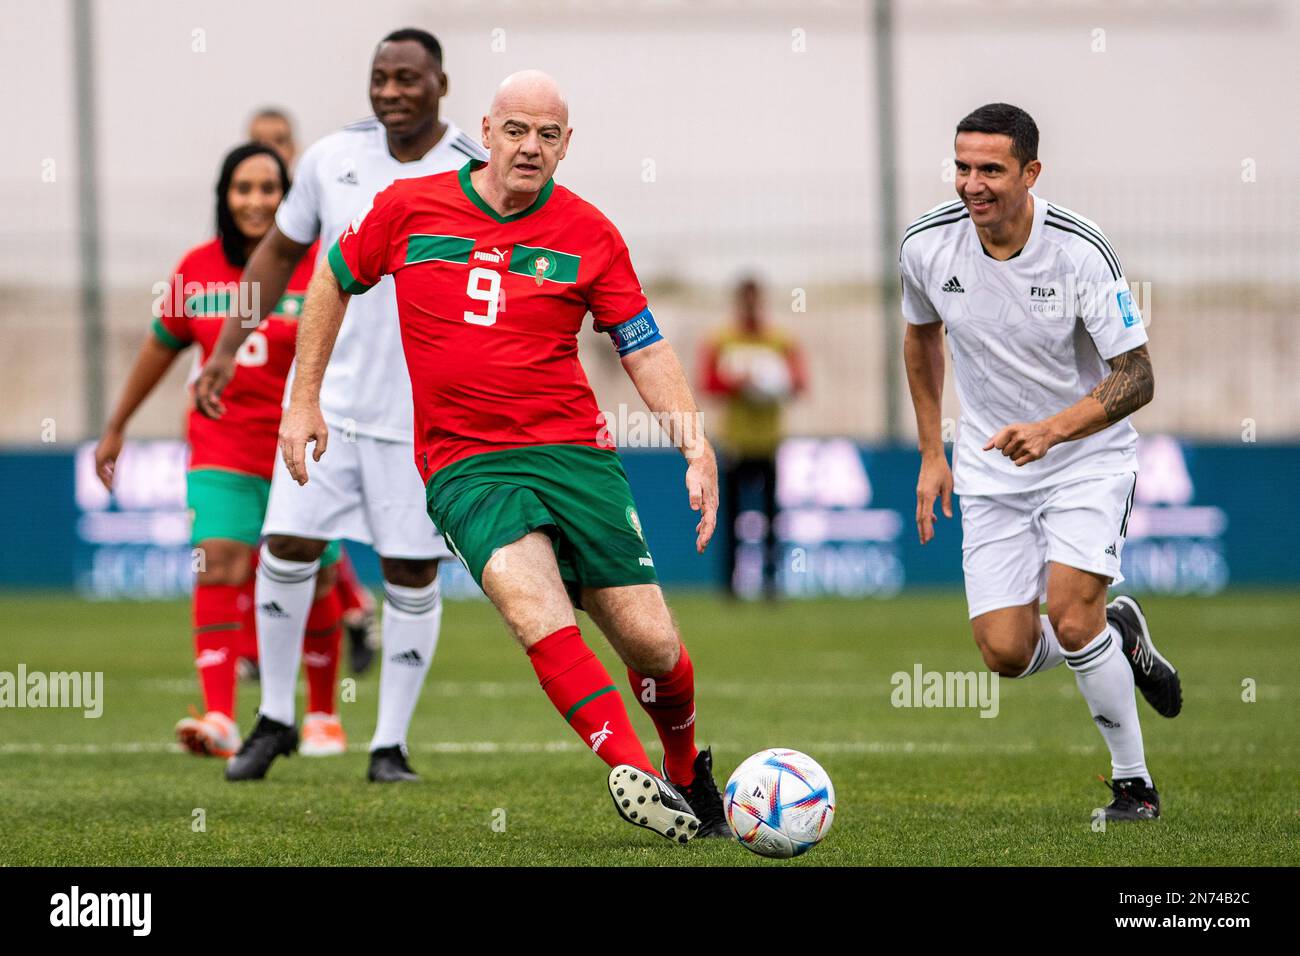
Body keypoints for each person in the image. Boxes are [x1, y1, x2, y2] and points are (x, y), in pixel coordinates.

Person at [280, 70, 730, 842]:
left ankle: (687, 770)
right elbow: (331, 279)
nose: (529, 147)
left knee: (653, 645)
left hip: (574, 456)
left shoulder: (590, 232)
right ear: (485, 130)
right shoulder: (408, 207)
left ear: (566, 145)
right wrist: (304, 398)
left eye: (547, 135)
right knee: (535, 610)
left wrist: (693, 440)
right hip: (466, 464)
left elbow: (643, 347)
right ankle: (638, 774)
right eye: (516, 130)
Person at [196, 28, 486, 783]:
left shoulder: (476, 173)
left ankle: (388, 745)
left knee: (410, 571)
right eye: (379, 77)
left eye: (407, 79)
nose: (391, 91)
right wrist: (227, 347)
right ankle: (274, 721)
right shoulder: (330, 159)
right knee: (286, 546)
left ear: (442, 86)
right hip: (322, 407)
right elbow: (277, 255)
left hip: (424, 421)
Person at [900, 103, 1183, 822]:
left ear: (1030, 172)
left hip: (1086, 455)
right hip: (993, 467)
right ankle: (1119, 631)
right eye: (962, 167)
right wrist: (934, 451)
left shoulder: (1079, 250)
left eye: (990, 169)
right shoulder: (927, 246)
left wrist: (1054, 431)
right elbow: (920, 337)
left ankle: (1134, 787)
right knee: (1003, 650)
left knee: (1070, 613)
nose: (972, 184)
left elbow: (1137, 376)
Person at [93, 143, 347, 759]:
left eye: (269, 189)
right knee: (220, 560)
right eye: (243, 189)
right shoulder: (196, 269)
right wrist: (118, 424)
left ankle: (321, 717)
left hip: (303, 447)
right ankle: (218, 716)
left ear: (288, 199)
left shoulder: (319, 264)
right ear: (224, 198)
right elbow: (160, 347)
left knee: (311, 574)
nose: (256, 201)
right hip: (221, 445)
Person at [699, 277, 807, 597]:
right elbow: (708, 383)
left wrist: (773, 382)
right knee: (730, 517)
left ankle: (771, 582)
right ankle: (730, 585)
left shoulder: (780, 340)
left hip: (769, 441)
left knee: (771, 518)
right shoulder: (721, 339)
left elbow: (799, 383)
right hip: (734, 441)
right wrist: (738, 383)